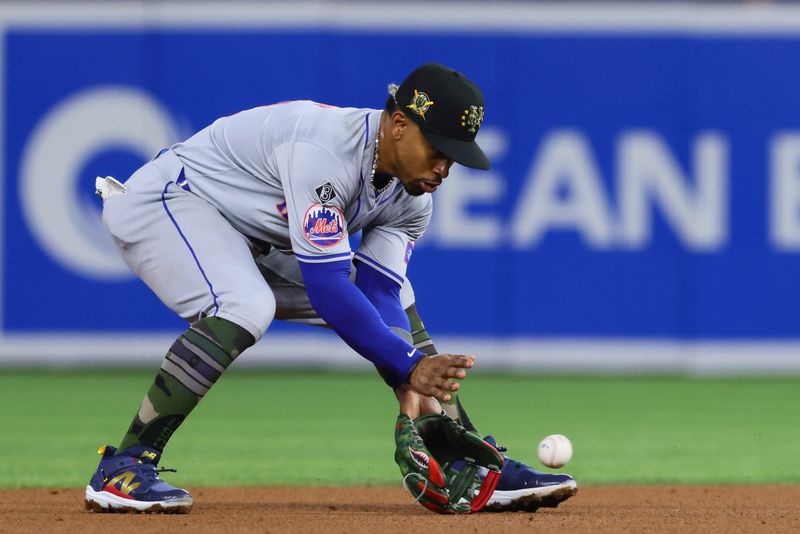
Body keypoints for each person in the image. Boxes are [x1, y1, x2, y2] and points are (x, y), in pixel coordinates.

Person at [85, 62, 575, 514]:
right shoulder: (326, 153)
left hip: (246, 236)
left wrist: (409, 378)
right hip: (169, 202)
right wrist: (407, 365)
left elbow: (379, 294)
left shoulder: (412, 200)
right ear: (399, 124)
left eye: (456, 157)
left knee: (400, 304)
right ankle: (123, 465)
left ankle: (466, 458)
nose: (445, 168)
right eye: (439, 149)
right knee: (245, 304)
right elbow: (327, 289)